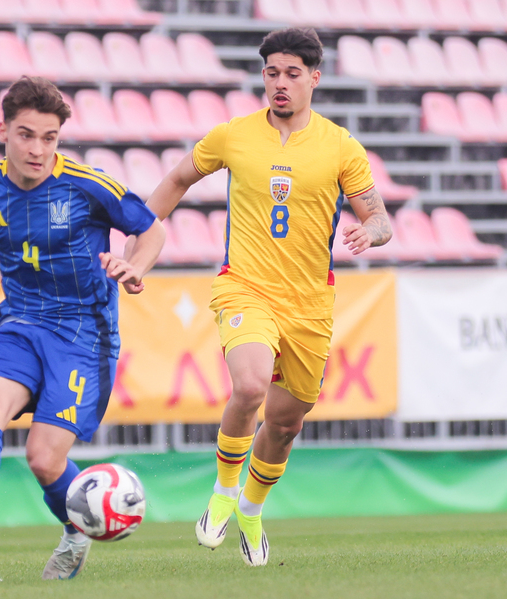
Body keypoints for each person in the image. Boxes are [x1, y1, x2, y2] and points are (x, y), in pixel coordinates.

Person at [0, 76, 165, 581]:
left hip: (84, 337)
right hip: (20, 323)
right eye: (25, 135)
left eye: (49, 138)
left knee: (44, 460)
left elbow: (150, 228)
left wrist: (137, 267)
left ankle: (75, 531)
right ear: (2, 130)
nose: (37, 149)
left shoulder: (89, 186)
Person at [144, 27, 392, 567]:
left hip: (309, 304)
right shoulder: (233, 135)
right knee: (251, 384)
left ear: (314, 79)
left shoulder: (340, 146)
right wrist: (136, 229)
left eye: (292, 74)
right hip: (245, 286)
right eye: (271, 73)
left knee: (284, 425)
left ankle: (252, 512)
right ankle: (224, 492)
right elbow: (178, 178)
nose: (280, 84)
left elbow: (380, 217)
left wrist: (370, 231)